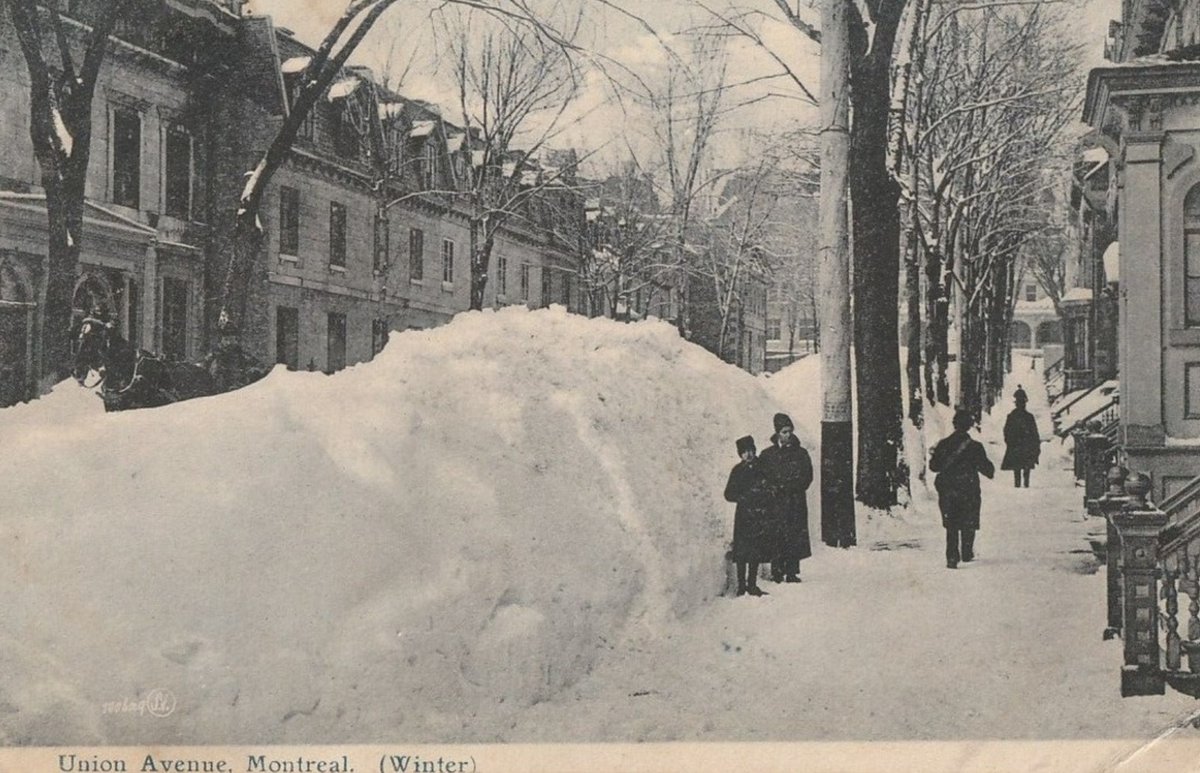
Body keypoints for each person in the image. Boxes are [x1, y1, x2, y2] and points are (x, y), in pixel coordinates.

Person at [930, 409, 995, 569]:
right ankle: (966, 552)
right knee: (968, 519)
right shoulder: (975, 447)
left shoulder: (943, 444)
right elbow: (988, 471)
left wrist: (934, 454)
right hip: (968, 488)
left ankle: (952, 556)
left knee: (951, 522)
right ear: (970, 426)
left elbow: (934, 467)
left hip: (948, 488)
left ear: (954, 424)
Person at [759, 412, 813, 583]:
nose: (788, 435)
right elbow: (762, 476)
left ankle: (791, 571)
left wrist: (793, 487)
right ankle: (777, 570)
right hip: (775, 502)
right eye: (784, 432)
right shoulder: (767, 455)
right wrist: (771, 488)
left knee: (793, 534)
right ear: (777, 433)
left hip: (794, 501)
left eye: (790, 431)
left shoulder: (801, 453)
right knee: (776, 535)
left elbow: (807, 476)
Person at [724, 436, 772, 597]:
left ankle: (752, 584)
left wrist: (762, 496)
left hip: (759, 514)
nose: (748, 455)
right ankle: (741, 586)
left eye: (750, 451)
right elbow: (728, 494)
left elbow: (771, 488)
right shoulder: (737, 471)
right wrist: (743, 497)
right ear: (740, 454)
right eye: (744, 452)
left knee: (755, 550)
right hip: (744, 515)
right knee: (742, 551)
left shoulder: (762, 468)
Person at [1001, 386, 1040, 488]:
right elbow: (1007, 431)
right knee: (1022, 466)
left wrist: (1009, 441)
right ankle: (1023, 484)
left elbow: (1006, 431)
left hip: (1018, 446)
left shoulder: (1014, 416)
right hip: (1022, 446)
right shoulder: (1025, 417)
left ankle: (1020, 484)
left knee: (1018, 466)